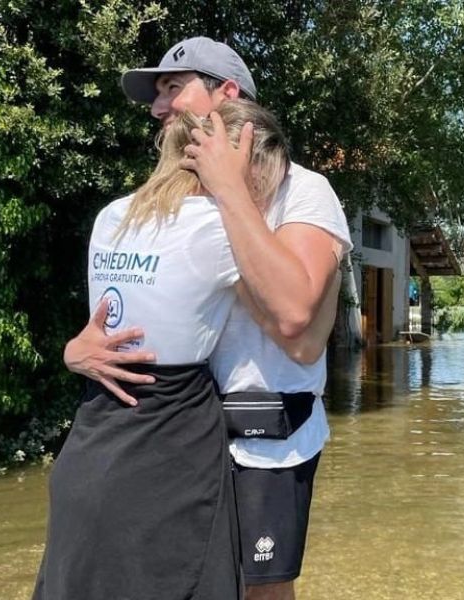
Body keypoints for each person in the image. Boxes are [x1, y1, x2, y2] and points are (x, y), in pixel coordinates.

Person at [64, 37, 353, 600]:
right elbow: (126, 315)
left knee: (257, 592)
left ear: (226, 92)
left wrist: (228, 188)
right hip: (175, 436)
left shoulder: (304, 191)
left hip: (263, 440)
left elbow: (295, 323)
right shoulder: (162, 201)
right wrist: (75, 351)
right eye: (157, 95)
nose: (157, 106)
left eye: (173, 88)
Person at [33, 101, 294, 600]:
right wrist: (234, 193)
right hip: (168, 452)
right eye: (267, 181)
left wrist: (69, 352)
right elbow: (293, 312)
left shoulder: (112, 216)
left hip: (93, 437)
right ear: (239, 163)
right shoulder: (219, 228)